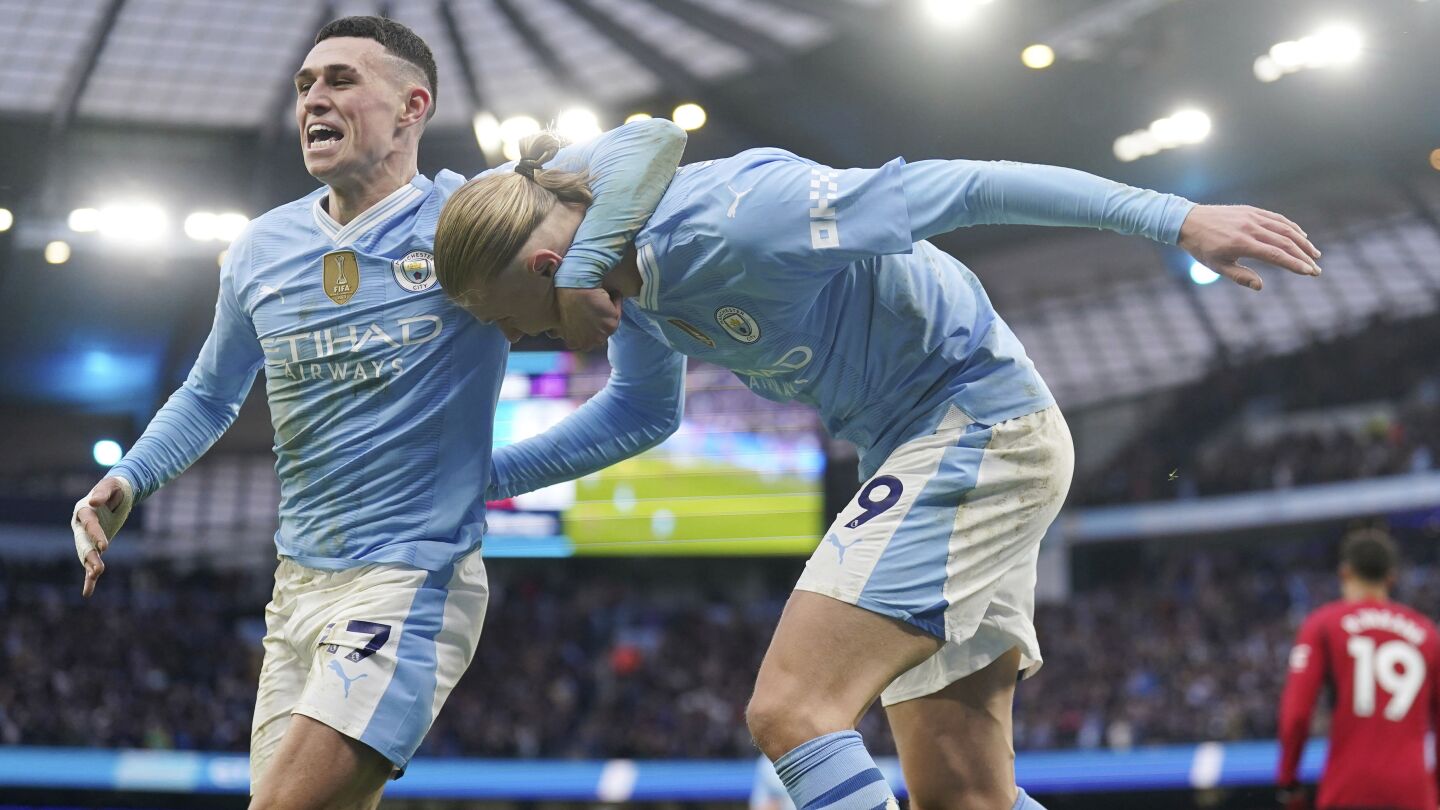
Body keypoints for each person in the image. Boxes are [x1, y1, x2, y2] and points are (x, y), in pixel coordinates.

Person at [432, 139, 1321, 810]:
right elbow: (642, 413)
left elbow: (971, 187)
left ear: (553, 267)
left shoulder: (736, 218)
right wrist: (477, 482)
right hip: (923, 449)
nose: (524, 343)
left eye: (523, 325)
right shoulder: (637, 285)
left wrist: (1176, 218)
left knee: (791, 710)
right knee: (964, 796)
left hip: (976, 427)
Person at [67, 16, 686, 810]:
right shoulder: (261, 249)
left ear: (411, 107)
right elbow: (211, 394)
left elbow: (642, 404)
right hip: (294, 592)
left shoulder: (482, 220)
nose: (312, 99)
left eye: (339, 80)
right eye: (304, 86)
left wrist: (493, 475)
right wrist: (130, 478)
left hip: (411, 580)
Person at [1277, 529, 1440, 810]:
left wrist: (1289, 782)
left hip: (1348, 789)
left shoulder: (1323, 624)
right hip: (1414, 793)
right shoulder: (1428, 634)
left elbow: (1297, 715)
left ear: (1345, 572)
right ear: (1391, 577)